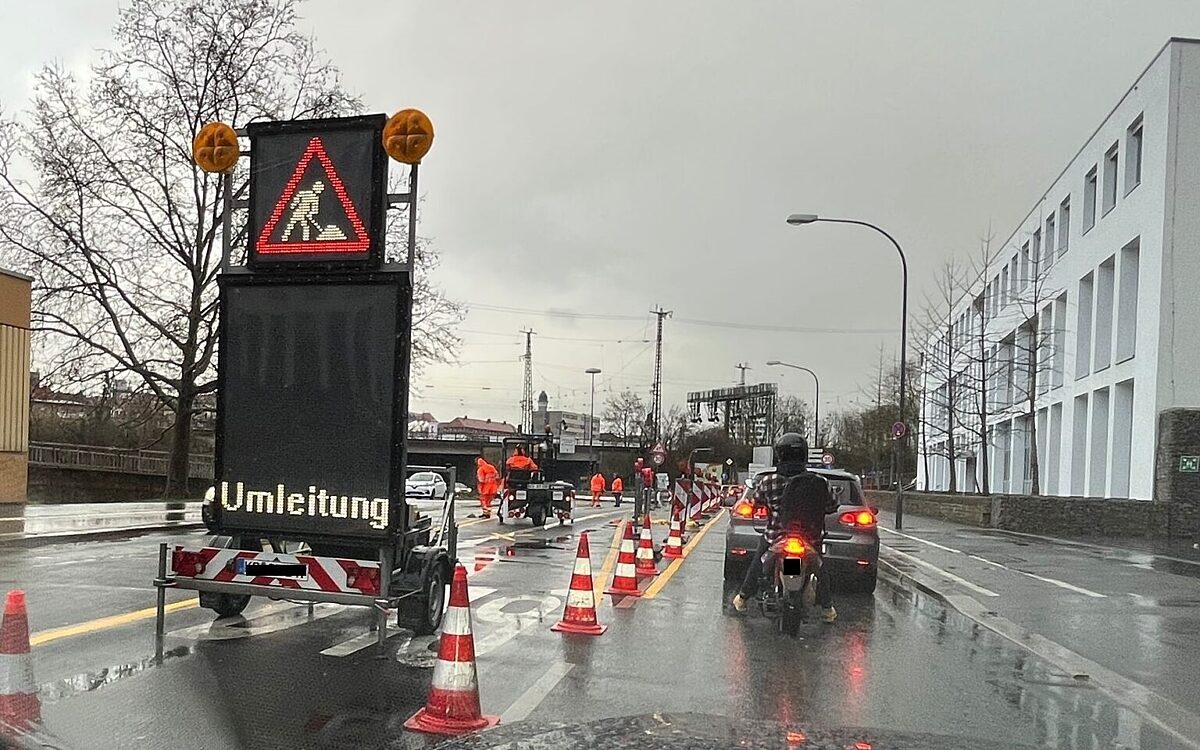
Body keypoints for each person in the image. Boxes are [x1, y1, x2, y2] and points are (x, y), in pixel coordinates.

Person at [732, 433, 838, 623]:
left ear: (779, 455)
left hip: (776, 537)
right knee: (820, 568)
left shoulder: (769, 481)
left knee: (757, 562)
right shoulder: (820, 482)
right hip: (810, 538)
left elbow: (754, 502)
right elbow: (832, 506)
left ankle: (743, 597)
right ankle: (827, 608)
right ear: (804, 455)